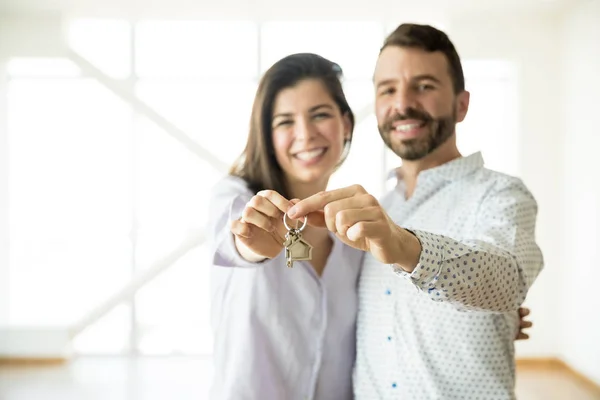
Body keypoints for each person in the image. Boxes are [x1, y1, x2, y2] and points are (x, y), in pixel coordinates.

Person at [208, 51, 534, 400]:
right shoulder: (237, 198)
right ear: (266, 133)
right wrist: (251, 245)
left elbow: (391, 305)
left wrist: (481, 317)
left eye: (320, 115)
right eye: (285, 122)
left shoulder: (358, 230)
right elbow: (235, 241)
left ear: (346, 124)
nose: (305, 134)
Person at [287, 23, 544, 399]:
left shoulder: (501, 194)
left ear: (461, 104)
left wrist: (405, 246)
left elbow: (507, 281)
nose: (402, 103)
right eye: (387, 89)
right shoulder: (378, 209)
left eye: (424, 86)